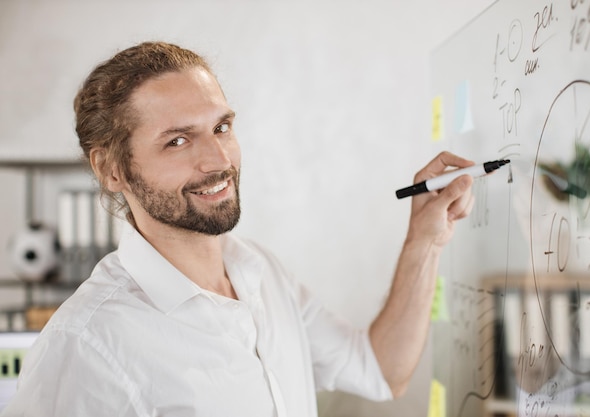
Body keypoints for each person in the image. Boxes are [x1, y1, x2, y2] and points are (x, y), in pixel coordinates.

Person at [2, 41, 474, 417]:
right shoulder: (85, 345)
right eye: (178, 140)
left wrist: (423, 239)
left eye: (222, 127)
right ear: (111, 170)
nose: (218, 161)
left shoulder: (260, 271)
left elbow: (380, 370)